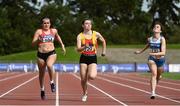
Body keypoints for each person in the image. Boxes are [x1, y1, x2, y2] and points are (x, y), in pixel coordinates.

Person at [32, 17, 66, 100]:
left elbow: (58, 37)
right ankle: (42, 89)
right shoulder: (39, 31)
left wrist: (62, 45)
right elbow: (33, 43)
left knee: (50, 65)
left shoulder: (54, 31)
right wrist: (37, 40)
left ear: (50, 24)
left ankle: (51, 82)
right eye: (44, 23)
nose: (46, 24)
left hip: (51, 53)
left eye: (48, 23)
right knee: (41, 74)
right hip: (41, 54)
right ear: (42, 24)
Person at [76, 19, 106, 102]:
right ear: (83, 25)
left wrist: (103, 52)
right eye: (86, 23)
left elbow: (103, 41)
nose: (88, 25)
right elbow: (78, 49)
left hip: (93, 57)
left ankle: (87, 80)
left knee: (92, 76)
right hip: (83, 58)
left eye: (90, 24)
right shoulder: (80, 36)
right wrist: (84, 46)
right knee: (82, 79)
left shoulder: (96, 34)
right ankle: (85, 93)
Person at [134, 21, 166, 99]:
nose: (156, 27)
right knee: (154, 74)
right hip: (152, 59)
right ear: (153, 29)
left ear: (160, 31)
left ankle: (158, 78)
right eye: (155, 27)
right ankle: (153, 93)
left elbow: (163, 53)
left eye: (158, 27)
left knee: (158, 76)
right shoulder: (150, 39)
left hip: (161, 60)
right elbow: (147, 46)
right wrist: (140, 52)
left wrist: (154, 54)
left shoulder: (162, 39)